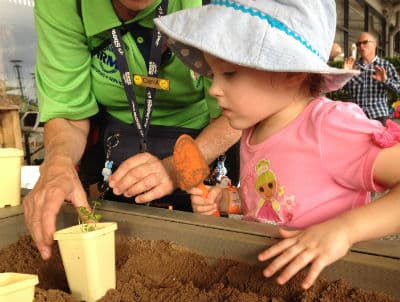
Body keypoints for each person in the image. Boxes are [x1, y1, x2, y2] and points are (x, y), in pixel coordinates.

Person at [154, 0, 400, 290]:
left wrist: (344, 230)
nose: (215, 89)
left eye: (229, 73)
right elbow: (270, 202)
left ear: (291, 72)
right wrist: (223, 200)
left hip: (327, 285)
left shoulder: (328, 126)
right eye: (212, 74)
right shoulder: (252, 130)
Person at [23, 0, 241, 260]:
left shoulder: (215, 6)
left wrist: (177, 168)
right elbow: (69, 115)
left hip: (207, 138)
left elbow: (242, 110)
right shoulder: (63, 6)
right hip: (115, 141)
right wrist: (58, 163)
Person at [344, 32, 400, 126]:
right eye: (358, 44)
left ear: (375, 44)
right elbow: (341, 89)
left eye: (365, 42)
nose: (361, 46)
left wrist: (385, 80)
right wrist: (344, 74)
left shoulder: (385, 66)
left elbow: (398, 89)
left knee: (379, 141)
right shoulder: (353, 67)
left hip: (378, 115)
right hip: (357, 116)